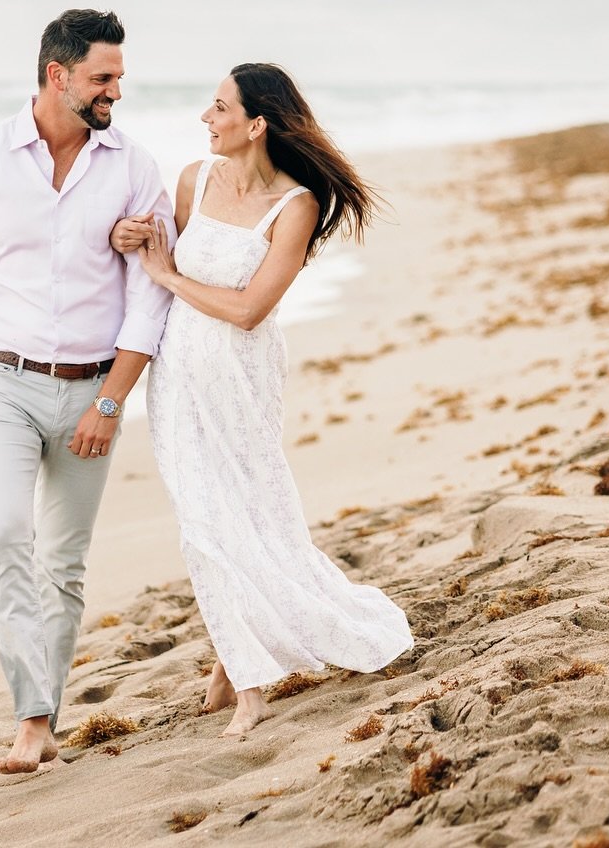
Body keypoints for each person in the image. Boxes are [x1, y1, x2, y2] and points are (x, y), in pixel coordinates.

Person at [110, 62, 412, 737]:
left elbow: (248, 310)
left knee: (247, 515)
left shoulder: (295, 205)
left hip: (242, 376)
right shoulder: (193, 179)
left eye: (218, 108)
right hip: (179, 376)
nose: (205, 119)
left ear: (257, 124)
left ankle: (245, 681)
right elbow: (154, 262)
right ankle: (234, 675)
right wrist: (132, 244)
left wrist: (166, 274)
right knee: (204, 520)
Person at [0, 9, 175, 774]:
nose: (116, 93)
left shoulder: (134, 166)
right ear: (56, 76)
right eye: (104, 78)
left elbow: (150, 296)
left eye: (120, 78)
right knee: (3, 533)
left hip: (92, 390)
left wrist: (111, 401)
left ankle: (43, 719)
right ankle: (31, 717)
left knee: (62, 564)